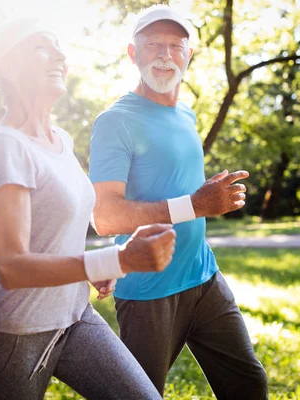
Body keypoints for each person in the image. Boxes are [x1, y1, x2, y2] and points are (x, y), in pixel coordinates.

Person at [0, 18, 176, 400]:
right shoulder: (4, 145)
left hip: (76, 318)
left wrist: (94, 267)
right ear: (7, 67)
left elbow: (53, 236)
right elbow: (12, 266)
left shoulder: (60, 139)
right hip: (12, 333)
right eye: (42, 46)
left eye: (60, 46)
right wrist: (115, 260)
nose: (60, 55)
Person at [89, 5, 269, 399]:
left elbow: (169, 184)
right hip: (148, 294)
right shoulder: (114, 122)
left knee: (248, 384)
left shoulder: (186, 114)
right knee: (141, 395)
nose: (164, 55)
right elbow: (104, 216)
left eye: (175, 46)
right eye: (153, 45)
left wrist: (205, 196)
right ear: (132, 54)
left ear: (188, 55)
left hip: (204, 278)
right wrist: (196, 204)